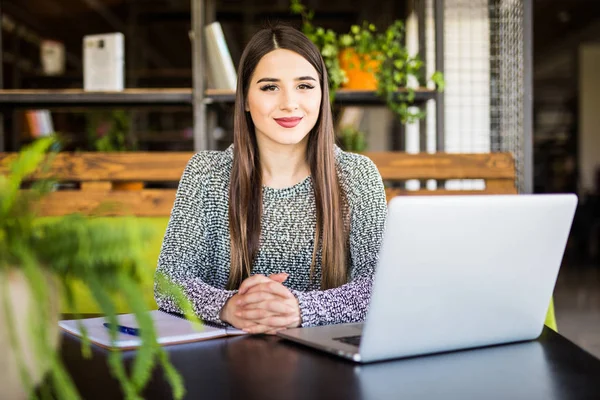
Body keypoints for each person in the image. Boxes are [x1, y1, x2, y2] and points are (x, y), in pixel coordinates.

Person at [154, 24, 386, 334]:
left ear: (321, 95)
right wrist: (229, 305)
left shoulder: (358, 175)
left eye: (304, 85)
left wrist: (300, 309)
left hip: (329, 364)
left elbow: (381, 286)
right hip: (224, 362)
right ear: (246, 100)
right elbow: (169, 281)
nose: (289, 102)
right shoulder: (205, 173)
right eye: (269, 87)